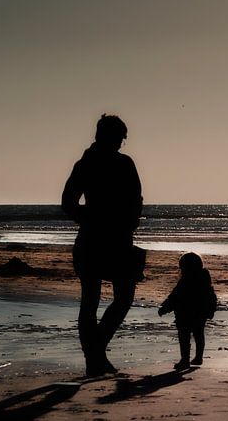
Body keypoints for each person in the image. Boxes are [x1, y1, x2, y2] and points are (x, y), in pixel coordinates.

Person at [62, 114, 143, 377]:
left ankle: (95, 355)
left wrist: (130, 221)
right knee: (92, 302)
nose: (121, 143)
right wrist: (92, 219)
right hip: (94, 240)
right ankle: (94, 359)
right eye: (119, 138)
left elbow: (136, 199)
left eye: (122, 139)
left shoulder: (122, 163)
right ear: (104, 136)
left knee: (121, 299)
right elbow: (68, 203)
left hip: (116, 240)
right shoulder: (86, 164)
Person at [158, 252, 217, 370]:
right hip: (200, 314)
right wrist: (210, 311)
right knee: (199, 335)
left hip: (184, 314)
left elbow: (174, 297)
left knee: (184, 337)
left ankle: (185, 360)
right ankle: (198, 357)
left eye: (181, 267)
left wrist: (164, 308)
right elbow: (211, 297)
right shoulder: (205, 280)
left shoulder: (185, 281)